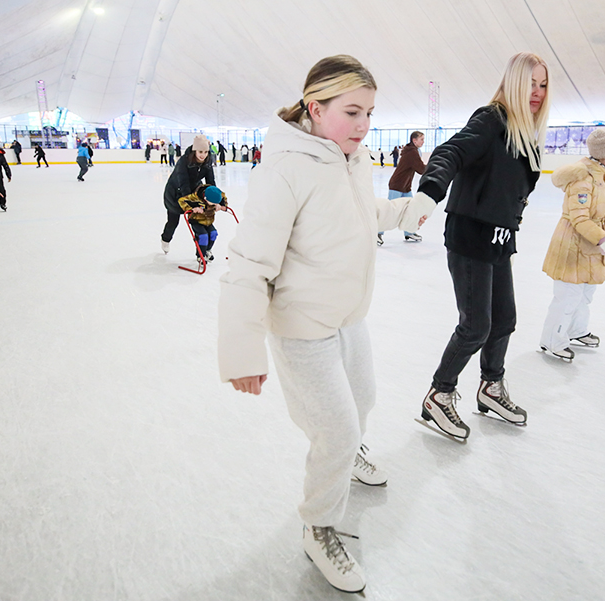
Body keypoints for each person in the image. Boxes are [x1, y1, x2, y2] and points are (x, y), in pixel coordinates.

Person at [217, 55, 431, 594]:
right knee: (335, 430)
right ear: (315, 107)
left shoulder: (351, 160)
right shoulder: (285, 169)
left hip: (347, 315)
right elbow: (249, 265)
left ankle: (350, 452)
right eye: (352, 111)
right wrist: (243, 353)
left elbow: (359, 219)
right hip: (301, 326)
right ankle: (319, 526)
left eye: (371, 113)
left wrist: (403, 212)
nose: (364, 125)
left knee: (363, 399)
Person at [412, 51, 549, 440]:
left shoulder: (526, 131)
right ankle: (439, 394)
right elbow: (450, 152)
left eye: (543, 85)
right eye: (531, 83)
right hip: (471, 233)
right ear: (513, 82)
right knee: (475, 326)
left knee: (503, 320)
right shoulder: (492, 119)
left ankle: (491, 387)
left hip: (499, 237)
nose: (537, 92)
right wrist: (429, 193)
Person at [540, 128, 605, 361]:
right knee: (568, 295)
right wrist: (602, 237)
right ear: (604, 154)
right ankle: (552, 341)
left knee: (585, 293)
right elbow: (579, 217)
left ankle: (576, 330)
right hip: (573, 244)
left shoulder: (599, 175)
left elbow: (595, 208)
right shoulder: (582, 179)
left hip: (588, 243)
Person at [160, 134, 216, 253]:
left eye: (206, 152)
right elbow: (183, 183)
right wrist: (192, 204)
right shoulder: (184, 161)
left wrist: (216, 199)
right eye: (200, 151)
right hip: (175, 194)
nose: (203, 155)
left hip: (194, 192)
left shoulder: (207, 161)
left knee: (198, 219)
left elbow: (211, 182)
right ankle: (165, 239)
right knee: (173, 222)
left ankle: (202, 250)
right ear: (195, 150)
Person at [378, 131, 427, 245]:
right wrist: (435, 165)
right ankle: (377, 233)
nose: (423, 142)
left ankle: (409, 232)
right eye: (421, 139)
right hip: (397, 185)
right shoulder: (412, 152)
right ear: (414, 141)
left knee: (411, 209)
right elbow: (421, 169)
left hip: (405, 186)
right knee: (390, 211)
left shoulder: (412, 150)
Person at [178, 184, 229, 261]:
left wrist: (222, 205)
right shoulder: (195, 197)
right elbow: (181, 200)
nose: (214, 205)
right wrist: (192, 208)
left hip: (208, 221)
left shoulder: (217, 194)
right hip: (196, 221)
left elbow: (223, 196)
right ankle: (200, 255)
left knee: (213, 234)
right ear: (205, 198)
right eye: (213, 203)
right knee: (203, 236)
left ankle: (207, 250)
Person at [0, 141, 12, 210]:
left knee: (2, 190)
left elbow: (5, 165)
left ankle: (2, 203)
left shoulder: (0, 155)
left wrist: (9, 175)